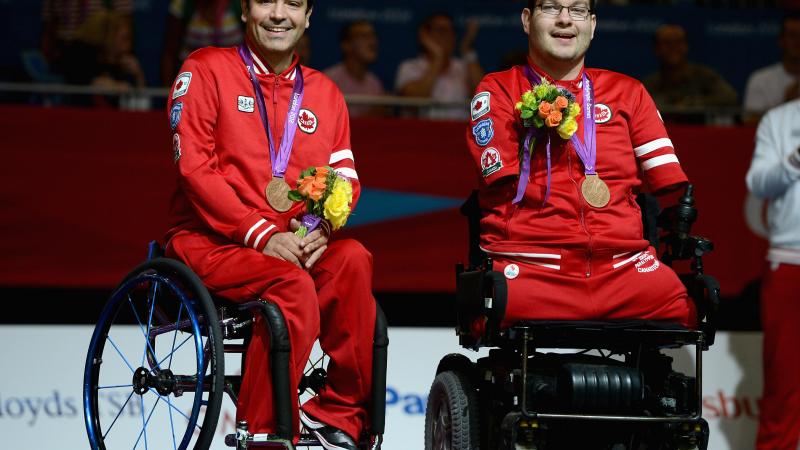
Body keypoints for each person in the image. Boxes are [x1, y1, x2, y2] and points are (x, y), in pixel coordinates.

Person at [164, 1, 376, 449]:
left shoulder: (325, 93)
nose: (279, 14)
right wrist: (260, 233)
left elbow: (347, 179)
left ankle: (339, 412)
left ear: (309, 15)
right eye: (266, 1)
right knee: (291, 285)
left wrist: (321, 227)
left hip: (290, 246)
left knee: (353, 260)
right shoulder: (205, 69)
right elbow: (195, 170)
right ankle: (263, 433)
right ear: (245, 10)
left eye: (293, 4)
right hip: (210, 242)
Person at [465, 0, 696, 328]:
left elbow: (668, 179)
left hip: (624, 270)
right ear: (527, 20)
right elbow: (499, 175)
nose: (564, 20)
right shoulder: (499, 90)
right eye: (551, 8)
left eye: (577, 10)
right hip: (533, 268)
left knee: (686, 310)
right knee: (497, 307)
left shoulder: (629, 92)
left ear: (593, 24)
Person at [745, 98, 800, 450]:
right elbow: (758, 183)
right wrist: (795, 158)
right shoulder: (779, 119)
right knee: (784, 385)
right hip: (791, 260)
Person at [395, 13, 484, 120]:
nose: (447, 36)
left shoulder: (464, 67)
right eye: (441, 30)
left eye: (451, 31)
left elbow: (483, 98)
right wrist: (438, 58)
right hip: (421, 133)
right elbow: (417, 99)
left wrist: (467, 50)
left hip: (460, 132)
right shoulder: (409, 67)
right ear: (424, 36)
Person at [642, 24, 738, 114]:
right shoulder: (650, 84)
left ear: (686, 46)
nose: (673, 48)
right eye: (667, 43)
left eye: (678, 42)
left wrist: (691, 104)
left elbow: (730, 97)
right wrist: (672, 107)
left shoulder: (704, 75)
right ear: (656, 49)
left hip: (699, 129)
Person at [160, 0, 244, 86]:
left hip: (233, 80)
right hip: (191, 82)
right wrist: (169, 93)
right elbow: (169, 53)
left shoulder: (240, 4)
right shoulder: (182, 4)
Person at [743, 12, 800, 122]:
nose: (798, 42)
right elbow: (749, 123)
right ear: (781, 40)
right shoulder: (760, 79)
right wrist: (785, 105)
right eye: (793, 35)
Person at [324, 20, 386, 117]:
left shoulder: (375, 83)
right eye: (364, 36)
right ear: (346, 45)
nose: (373, 42)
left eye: (373, 36)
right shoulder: (329, 80)